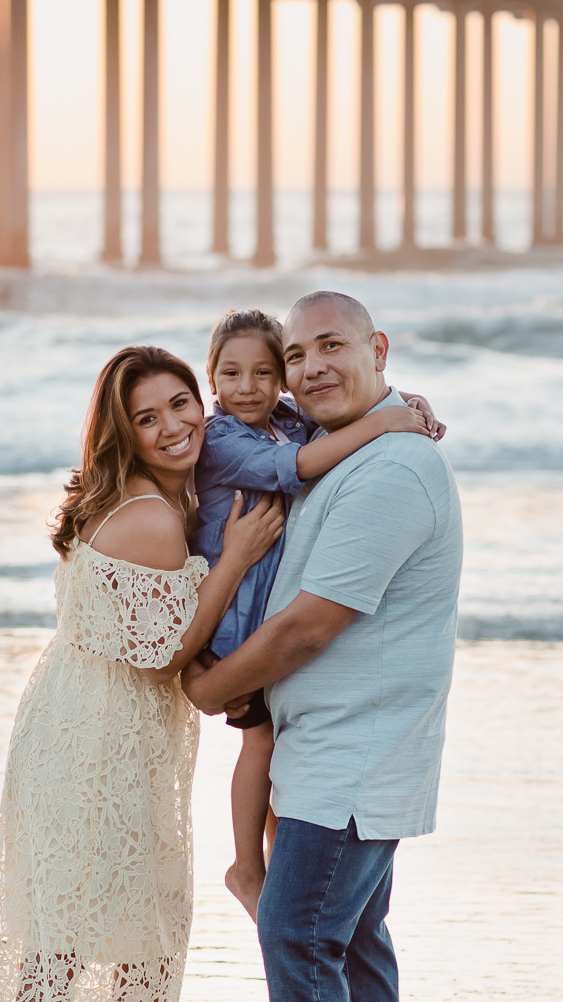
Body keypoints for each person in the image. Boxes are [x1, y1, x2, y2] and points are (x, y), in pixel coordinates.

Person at [184, 291, 463, 1002]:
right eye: (295, 354)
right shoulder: (356, 447)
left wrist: (209, 688)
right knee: (351, 951)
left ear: (377, 347)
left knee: (297, 937)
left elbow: (308, 625)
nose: (306, 368)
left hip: (353, 755)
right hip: (330, 747)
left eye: (330, 347)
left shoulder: (391, 471)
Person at [0, 344, 286, 1002]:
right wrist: (233, 559)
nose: (174, 426)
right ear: (124, 431)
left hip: (125, 736)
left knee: (153, 915)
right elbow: (166, 653)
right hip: (88, 742)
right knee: (60, 935)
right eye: (147, 417)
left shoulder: (168, 494)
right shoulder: (149, 518)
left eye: (182, 404)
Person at [191, 308, 443, 920]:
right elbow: (300, 467)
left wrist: (402, 402)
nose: (246, 387)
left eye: (263, 372)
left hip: (262, 619)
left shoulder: (284, 420)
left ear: (280, 381)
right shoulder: (221, 439)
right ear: (212, 380)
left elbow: (330, 420)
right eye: (231, 374)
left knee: (274, 751)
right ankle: (246, 867)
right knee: (259, 742)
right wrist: (390, 421)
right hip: (235, 628)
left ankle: (269, 862)